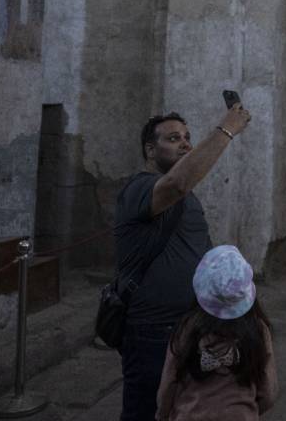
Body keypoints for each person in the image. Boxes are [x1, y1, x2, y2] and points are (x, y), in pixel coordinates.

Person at [114, 104, 252, 421]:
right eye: (174, 138)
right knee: (146, 410)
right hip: (153, 329)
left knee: (185, 407)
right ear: (150, 149)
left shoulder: (185, 194)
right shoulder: (139, 188)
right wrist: (226, 129)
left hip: (192, 323)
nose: (186, 144)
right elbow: (176, 183)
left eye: (187, 137)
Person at [156, 244, 277, 420]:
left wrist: (162, 415)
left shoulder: (187, 329)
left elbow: (168, 384)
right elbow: (268, 393)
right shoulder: (258, 330)